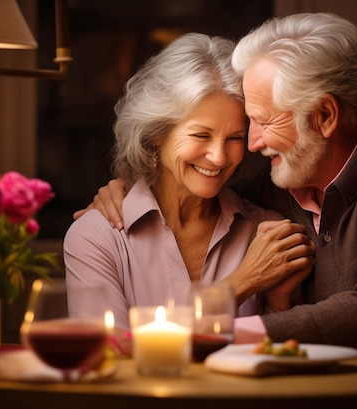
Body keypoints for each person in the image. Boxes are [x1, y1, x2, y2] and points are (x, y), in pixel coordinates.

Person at [76, 13, 357, 362]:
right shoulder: (275, 180)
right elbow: (186, 175)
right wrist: (123, 190)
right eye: (250, 124)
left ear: (325, 116)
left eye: (259, 124)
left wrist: (219, 332)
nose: (250, 146)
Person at [64, 33, 316, 345]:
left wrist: (278, 302)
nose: (219, 157)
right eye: (201, 135)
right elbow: (109, 349)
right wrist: (243, 283)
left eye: (235, 138)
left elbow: (284, 360)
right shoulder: (96, 237)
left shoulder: (268, 232)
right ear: (157, 133)